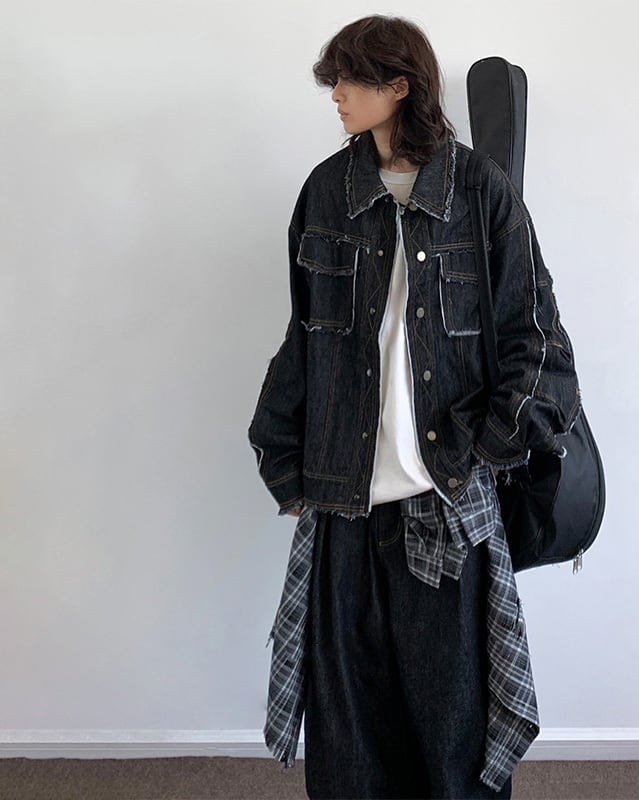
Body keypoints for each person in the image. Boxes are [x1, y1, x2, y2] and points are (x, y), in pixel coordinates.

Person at [248, 14, 579, 800]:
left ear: (399, 86)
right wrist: (285, 460)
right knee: (348, 730)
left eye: (349, 79)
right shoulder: (327, 192)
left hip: (444, 504)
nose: (335, 95)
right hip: (344, 505)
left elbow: (537, 340)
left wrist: (478, 452)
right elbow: (304, 337)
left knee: (451, 729)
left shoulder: (480, 192)